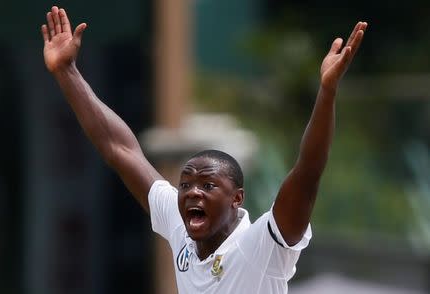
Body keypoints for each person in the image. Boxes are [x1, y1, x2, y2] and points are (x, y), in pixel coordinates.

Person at [41, 6, 367, 294]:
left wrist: (326, 92)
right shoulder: (182, 227)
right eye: (186, 185)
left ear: (236, 198)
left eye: (208, 185)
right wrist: (67, 73)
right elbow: (120, 149)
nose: (192, 192)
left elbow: (308, 171)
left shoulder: (261, 246)